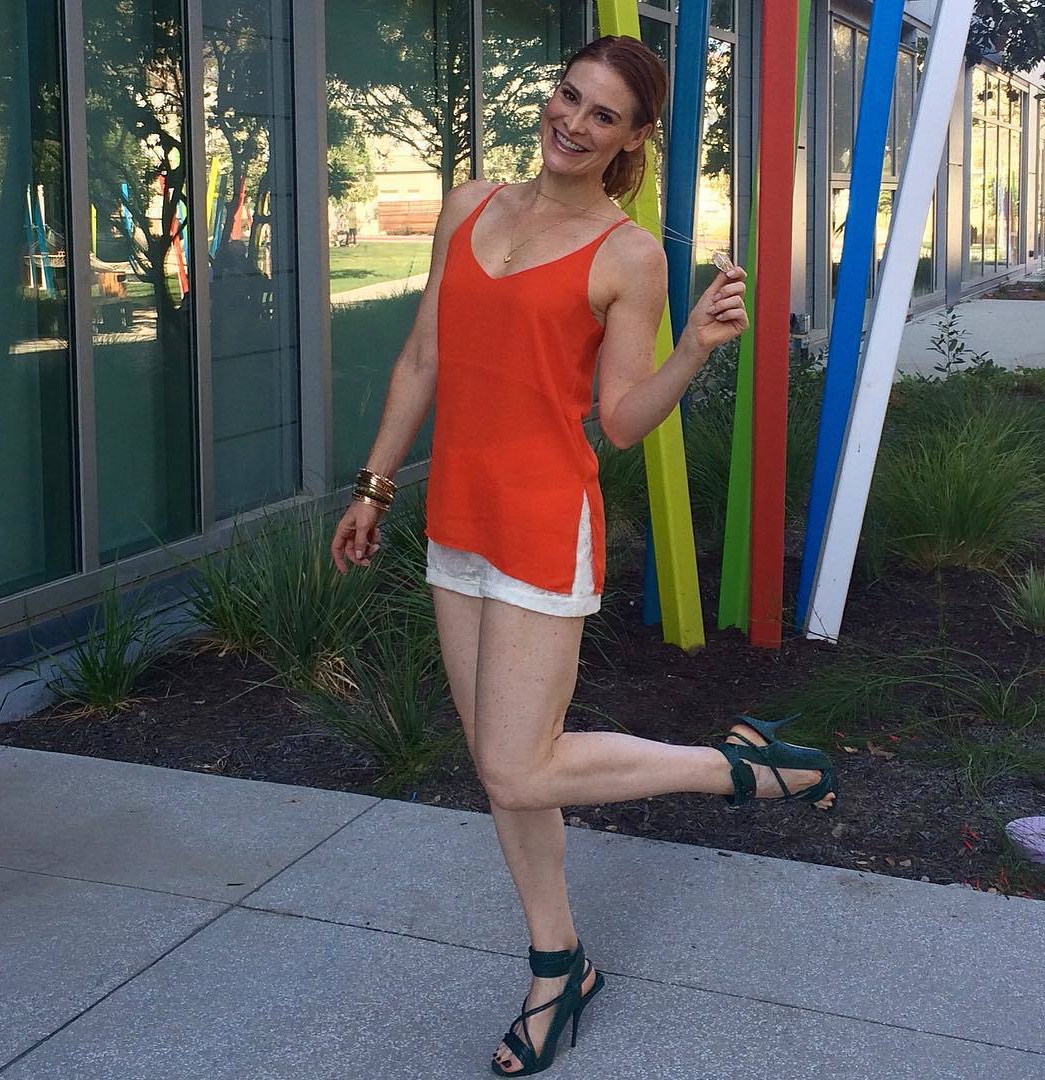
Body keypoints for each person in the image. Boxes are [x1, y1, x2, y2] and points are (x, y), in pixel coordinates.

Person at [329, 34, 837, 1077]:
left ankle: (739, 770)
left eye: (602, 114)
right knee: (504, 773)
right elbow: (424, 355)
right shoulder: (470, 205)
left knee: (518, 764)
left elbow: (618, 421)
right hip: (458, 516)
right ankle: (558, 965)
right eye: (568, 96)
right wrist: (375, 486)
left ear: (632, 138)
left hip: (542, 523)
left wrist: (690, 351)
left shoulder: (627, 254)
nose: (572, 122)